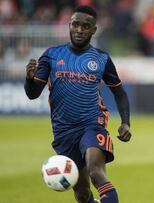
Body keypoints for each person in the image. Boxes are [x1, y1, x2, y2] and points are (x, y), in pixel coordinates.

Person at [24, 6, 131, 203]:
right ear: (69, 25)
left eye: (85, 26)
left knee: (95, 171)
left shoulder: (101, 59)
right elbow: (32, 94)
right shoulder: (51, 55)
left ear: (93, 30)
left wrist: (126, 122)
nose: (80, 30)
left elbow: (120, 93)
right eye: (76, 24)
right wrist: (29, 79)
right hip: (63, 132)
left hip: (92, 124)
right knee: (82, 194)